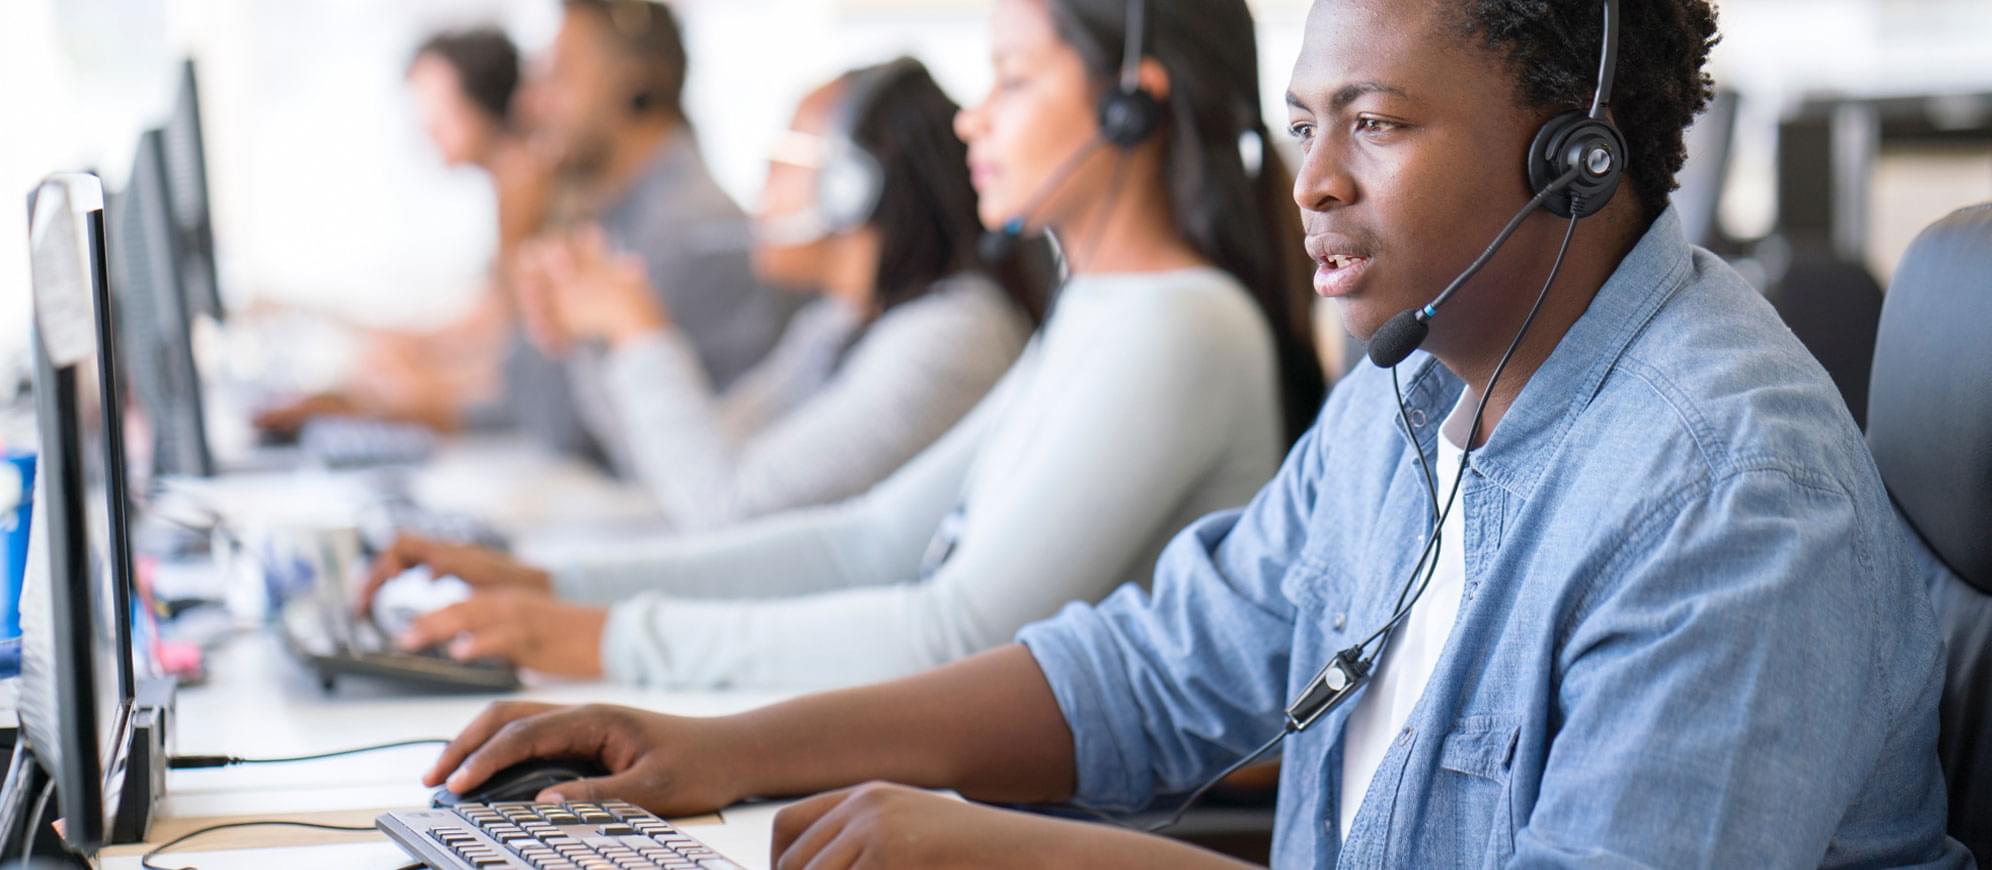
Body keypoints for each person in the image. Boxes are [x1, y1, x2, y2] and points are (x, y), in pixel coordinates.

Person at [411, 0, 1973, 866]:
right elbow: (1146, 671)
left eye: (1379, 122)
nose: (1315, 181)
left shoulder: (1725, 495)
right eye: (1306, 125)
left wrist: (1021, 861)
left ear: (1574, 153)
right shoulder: (1404, 402)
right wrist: (707, 751)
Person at [361, 0, 1327, 689]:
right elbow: (868, 539)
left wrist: (606, 638)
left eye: (1014, 79)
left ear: (1133, 109)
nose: (971, 116)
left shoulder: (1182, 325)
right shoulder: (1101, 312)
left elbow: (959, 633)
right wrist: (554, 587)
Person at [510, 58, 1041, 530]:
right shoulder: (833, 327)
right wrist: (598, 338)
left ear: (850, 185)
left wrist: (639, 330)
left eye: (787, 152)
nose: (764, 175)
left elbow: (728, 510)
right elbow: (676, 472)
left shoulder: (952, 334)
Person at [503, 0, 801, 472]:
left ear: (631, 84)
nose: (531, 103)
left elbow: (562, 425)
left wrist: (519, 230)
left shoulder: (684, 227)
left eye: (557, 76)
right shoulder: (623, 211)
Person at [255, 28, 549, 436]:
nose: (425, 123)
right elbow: (480, 331)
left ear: (481, 101)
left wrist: (399, 392)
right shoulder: (510, 192)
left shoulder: (529, 186)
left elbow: (514, 364)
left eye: (436, 104)